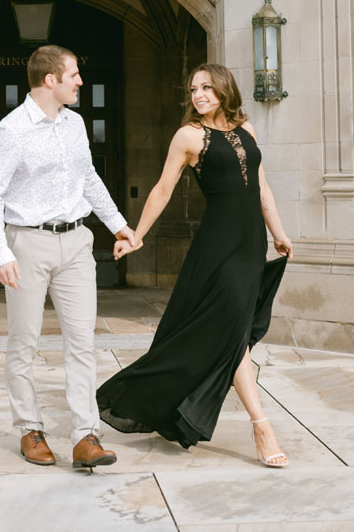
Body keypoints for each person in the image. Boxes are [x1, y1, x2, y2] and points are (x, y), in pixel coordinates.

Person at [98, 62, 293, 467]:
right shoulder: (189, 135)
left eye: (206, 87)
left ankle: (246, 419)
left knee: (231, 333)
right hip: (218, 248)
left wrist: (278, 232)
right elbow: (163, 188)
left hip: (251, 244)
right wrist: (136, 234)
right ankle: (262, 425)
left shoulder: (247, 130)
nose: (199, 95)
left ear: (224, 89)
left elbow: (262, 186)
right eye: (193, 89)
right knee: (234, 332)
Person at [0, 44, 141, 470]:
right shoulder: (10, 131)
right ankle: (30, 428)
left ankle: (86, 436)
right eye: (74, 76)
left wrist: (118, 224)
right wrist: (0, 253)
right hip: (27, 244)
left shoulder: (76, 124)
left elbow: (88, 178)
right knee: (25, 343)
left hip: (77, 244)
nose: (80, 82)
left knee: (82, 343)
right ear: (50, 80)